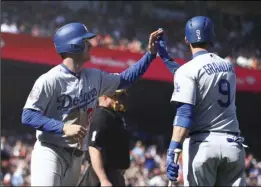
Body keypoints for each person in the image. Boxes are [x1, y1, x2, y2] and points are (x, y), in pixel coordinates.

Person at [21, 22, 163, 186]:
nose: (90, 45)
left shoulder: (94, 76)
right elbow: (28, 115)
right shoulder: (50, 79)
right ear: (74, 45)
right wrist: (63, 127)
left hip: (76, 156)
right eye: (85, 41)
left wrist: (150, 55)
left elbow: (125, 79)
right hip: (50, 150)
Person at [157, 16, 247, 186]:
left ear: (186, 39)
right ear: (212, 37)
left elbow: (184, 115)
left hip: (203, 145)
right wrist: (166, 58)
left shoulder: (187, 71)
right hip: (233, 145)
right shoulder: (229, 67)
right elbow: (198, 75)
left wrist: (171, 150)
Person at [77, 89, 130, 187]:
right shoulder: (101, 115)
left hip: (113, 174)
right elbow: (94, 148)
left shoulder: (114, 116)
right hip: (100, 175)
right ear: (105, 98)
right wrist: (103, 179)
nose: (118, 101)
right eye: (115, 98)